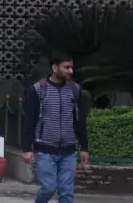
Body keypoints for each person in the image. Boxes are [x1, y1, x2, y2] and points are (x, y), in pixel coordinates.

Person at [21, 53, 90, 203]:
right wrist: (27, 148)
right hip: (45, 150)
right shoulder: (38, 89)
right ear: (54, 68)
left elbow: (79, 120)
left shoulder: (75, 89)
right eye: (66, 67)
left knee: (66, 194)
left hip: (68, 151)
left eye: (71, 67)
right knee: (49, 187)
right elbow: (30, 120)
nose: (70, 71)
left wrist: (84, 147)